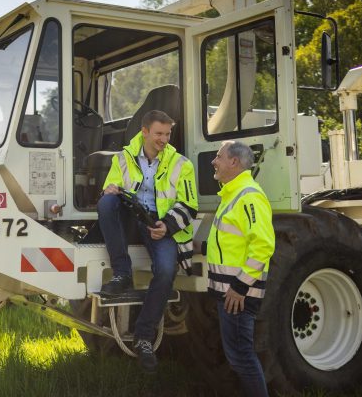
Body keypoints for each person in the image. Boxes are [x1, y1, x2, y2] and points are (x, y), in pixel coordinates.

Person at [97, 109, 198, 372]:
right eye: (158, 133)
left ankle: (143, 335)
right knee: (106, 202)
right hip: (132, 218)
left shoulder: (182, 164)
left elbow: (189, 205)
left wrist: (167, 226)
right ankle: (122, 273)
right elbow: (111, 186)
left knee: (166, 270)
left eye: (167, 133)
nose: (164, 139)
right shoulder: (122, 158)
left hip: (160, 223)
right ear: (144, 132)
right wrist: (111, 189)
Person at [205, 140, 275, 397]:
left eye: (218, 156)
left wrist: (239, 287)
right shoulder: (233, 194)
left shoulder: (249, 196)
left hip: (237, 295)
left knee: (242, 358)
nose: (214, 161)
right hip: (231, 294)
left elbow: (263, 246)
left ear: (233, 162)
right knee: (238, 357)